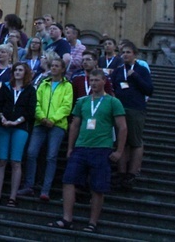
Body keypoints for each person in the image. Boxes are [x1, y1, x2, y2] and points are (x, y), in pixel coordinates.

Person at [50, 69, 127, 234]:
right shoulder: (82, 101)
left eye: (97, 80)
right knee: (69, 180)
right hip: (81, 147)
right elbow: (75, 125)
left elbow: (122, 127)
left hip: (102, 148)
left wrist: (119, 151)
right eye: (91, 80)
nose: (93, 83)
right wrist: (70, 147)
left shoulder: (113, 102)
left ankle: (93, 222)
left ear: (104, 81)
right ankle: (67, 218)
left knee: (98, 186)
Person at [19, 58, 73, 201]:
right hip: (40, 122)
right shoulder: (43, 83)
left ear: (62, 69)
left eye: (57, 66)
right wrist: (42, 117)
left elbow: (66, 106)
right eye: (52, 66)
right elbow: (36, 102)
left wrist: (53, 119)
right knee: (31, 153)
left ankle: (45, 190)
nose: (54, 68)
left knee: (51, 156)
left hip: (58, 125)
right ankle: (29, 185)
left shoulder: (67, 86)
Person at [0, 62, 36, 207]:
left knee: (16, 161)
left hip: (20, 127)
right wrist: (3, 118)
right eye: (15, 70)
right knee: (1, 160)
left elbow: (30, 110)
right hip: (4, 125)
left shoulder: (30, 90)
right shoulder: (6, 87)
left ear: (26, 73)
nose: (17, 72)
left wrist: (16, 122)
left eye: (20, 70)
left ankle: (12, 197)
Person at [111, 41, 153, 190]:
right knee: (122, 141)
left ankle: (132, 173)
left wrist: (134, 76)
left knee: (135, 141)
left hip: (136, 109)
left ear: (135, 54)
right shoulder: (117, 71)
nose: (125, 55)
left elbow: (149, 89)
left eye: (128, 52)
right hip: (120, 109)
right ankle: (121, 173)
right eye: (123, 52)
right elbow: (113, 88)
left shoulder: (141, 70)